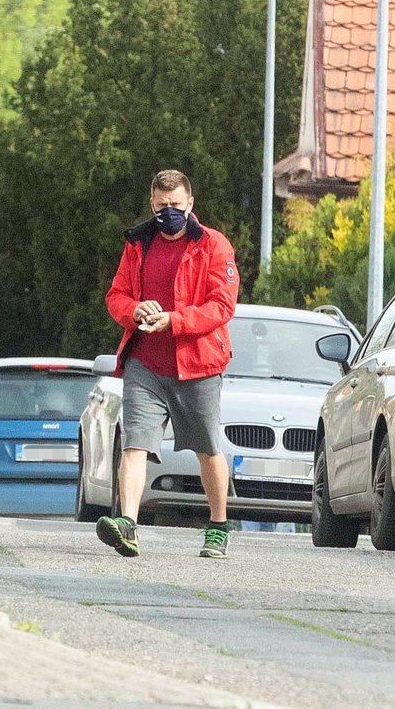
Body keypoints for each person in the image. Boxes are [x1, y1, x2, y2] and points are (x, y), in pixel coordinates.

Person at [97, 169, 239, 559]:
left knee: (208, 447)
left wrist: (175, 320)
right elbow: (116, 296)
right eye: (162, 206)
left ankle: (218, 525)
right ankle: (127, 523)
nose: (168, 213)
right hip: (145, 362)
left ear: (190, 204)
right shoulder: (138, 244)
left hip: (198, 364)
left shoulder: (214, 246)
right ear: (152, 204)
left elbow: (222, 306)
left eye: (176, 206)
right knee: (135, 444)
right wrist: (133, 309)